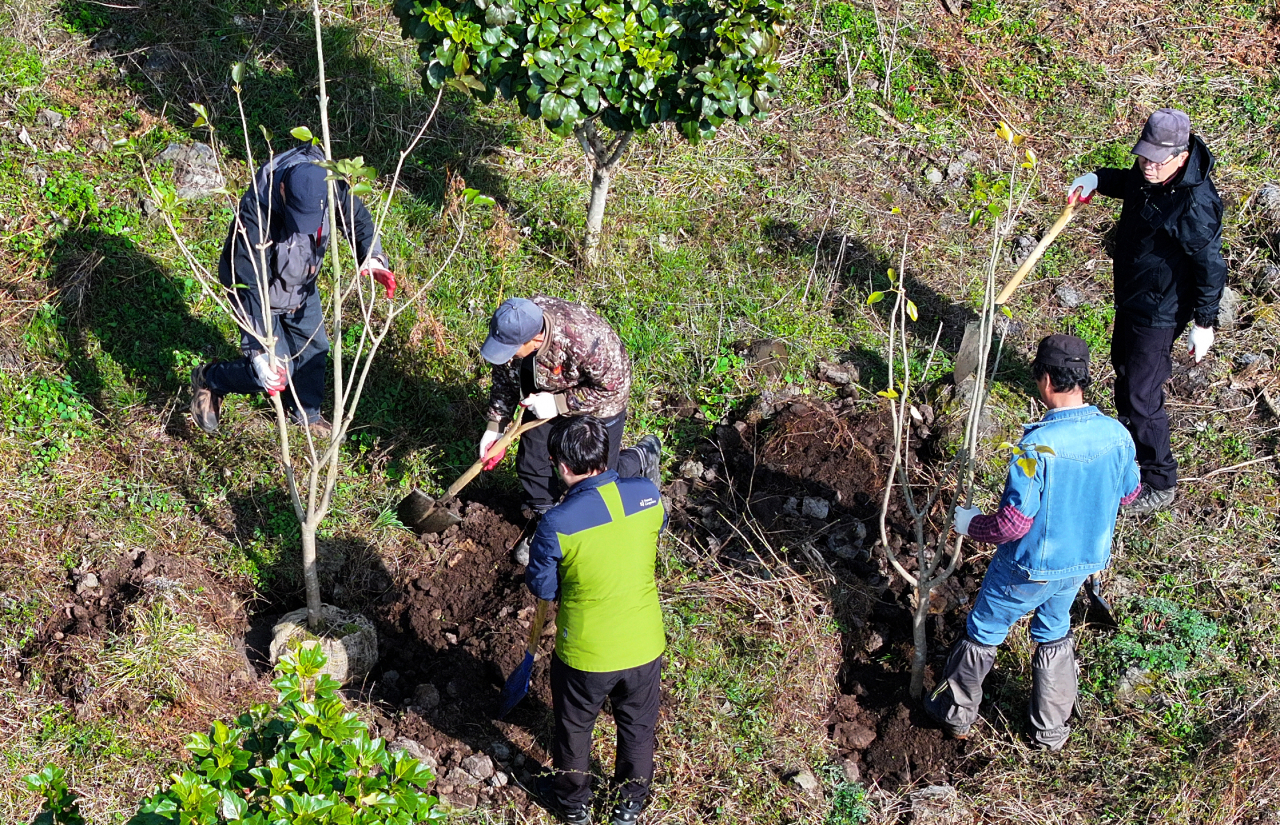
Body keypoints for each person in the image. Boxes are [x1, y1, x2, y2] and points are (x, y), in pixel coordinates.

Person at [924, 334, 1141, 751]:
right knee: (1054, 629)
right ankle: (1050, 731)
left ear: (1044, 379)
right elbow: (1129, 494)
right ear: (1083, 378)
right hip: (1083, 563)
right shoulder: (1116, 433)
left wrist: (971, 525)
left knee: (984, 628)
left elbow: (1012, 524)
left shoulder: (1036, 447)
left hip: (1029, 566)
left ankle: (954, 714)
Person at [1067, 107, 1226, 514]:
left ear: (1182, 155)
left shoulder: (1195, 204)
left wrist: (1204, 322)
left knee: (1142, 393)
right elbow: (1128, 182)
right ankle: (1128, 440)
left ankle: (1159, 479)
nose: (1147, 167)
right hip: (1133, 297)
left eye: (1157, 160)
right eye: (1143, 156)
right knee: (1123, 365)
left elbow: (1210, 266)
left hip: (1161, 310)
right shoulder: (1149, 173)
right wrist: (1098, 179)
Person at [189, 143, 396, 437]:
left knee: (314, 349)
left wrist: (372, 257)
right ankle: (211, 379)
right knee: (272, 371)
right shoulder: (255, 213)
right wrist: (259, 351)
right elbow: (247, 284)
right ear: (284, 191)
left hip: (301, 285)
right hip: (259, 292)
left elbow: (357, 218)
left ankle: (306, 415)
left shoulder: (329, 184)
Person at [525, 415, 667, 825]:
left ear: (563, 467)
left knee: (574, 731)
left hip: (586, 653)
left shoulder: (556, 523)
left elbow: (544, 588)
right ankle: (630, 805)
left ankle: (574, 806)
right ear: (606, 456)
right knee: (638, 728)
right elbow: (656, 526)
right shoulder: (648, 494)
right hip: (644, 643)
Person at [478, 295, 660, 561]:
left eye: (510, 349)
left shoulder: (586, 338)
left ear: (536, 340)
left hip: (596, 404)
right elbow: (504, 380)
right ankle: (550, 522)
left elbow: (613, 388)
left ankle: (641, 457)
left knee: (596, 475)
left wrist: (560, 403)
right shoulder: (513, 323)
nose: (505, 354)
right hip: (542, 398)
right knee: (531, 463)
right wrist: (495, 427)